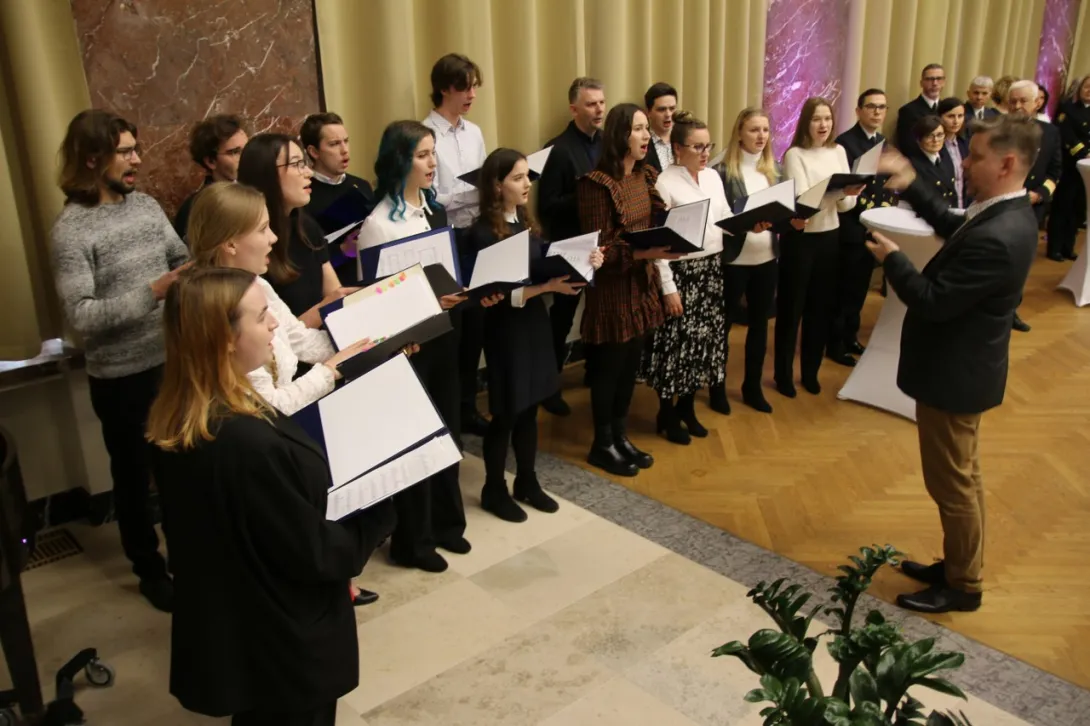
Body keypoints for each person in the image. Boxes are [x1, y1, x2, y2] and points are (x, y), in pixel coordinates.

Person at [147, 266, 395, 724]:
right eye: (262, 316)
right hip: (284, 640)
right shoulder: (247, 444)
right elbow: (317, 554)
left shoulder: (184, 414)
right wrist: (383, 497)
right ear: (225, 338)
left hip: (241, 629)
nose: (275, 324)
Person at [865, 114, 1040, 614]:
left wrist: (894, 260)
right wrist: (911, 183)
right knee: (963, 478)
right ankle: (960, 564)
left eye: (976, 156)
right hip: (964, 371)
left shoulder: (1000, 235)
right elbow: (952, 226)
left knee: (953, 485)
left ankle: (963, 585)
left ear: (1007, 163)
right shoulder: (1006, 213)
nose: (964, 163)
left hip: (954, 377)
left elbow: (933, 301)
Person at [187, 182, 388, 607]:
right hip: (266, 445)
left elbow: (302, 341)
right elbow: (266, 406)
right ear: (230, 244)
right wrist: (333, 370)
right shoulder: (214, 309)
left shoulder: (257, 284)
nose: (275, 238)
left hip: (286, 434)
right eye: (263, 229)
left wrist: (371, 339)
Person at [51, 109, 190, 612]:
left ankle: (190, 562)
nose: (137, 160)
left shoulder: (147, 206)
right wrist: (153, 292)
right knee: (133, 480)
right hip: (120, 380)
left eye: (136, 149)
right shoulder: (71, 231)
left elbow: (179, 260)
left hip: (169, 364)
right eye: (125, 152)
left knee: (179, 472)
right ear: (93, 159)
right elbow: (81, 315)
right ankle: (149, 570)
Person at [356, 120, 502, 572]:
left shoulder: (435, 211)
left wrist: (472, 292)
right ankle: (412, 541)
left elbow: (447, 275)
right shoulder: (378, 225)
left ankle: (446, 524)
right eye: (422, 155)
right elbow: (372, 301)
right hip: (408, 346)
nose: (432, 162)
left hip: (443, 334)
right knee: (416, 440)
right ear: (399, 161)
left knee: (447, 432)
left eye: (433, 152)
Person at [465, 148, 602, 521]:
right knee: (507, 412)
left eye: (528, 176)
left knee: (530, 408)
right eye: (517, 178)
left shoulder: (525, 224)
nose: (527, 184)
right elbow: (495, 294)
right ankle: (494, 489)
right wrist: (547, 288)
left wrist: (585, 261)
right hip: (505, 329)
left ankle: (527, 480)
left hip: (533, 323)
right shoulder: (480, 233)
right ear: (497, 186)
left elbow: (542, 267)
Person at [577, 103, 680, 476]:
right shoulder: (596, 184)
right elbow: (600, 250)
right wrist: (646, 251)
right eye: (638, 128)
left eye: (646, 129)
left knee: (629, 368)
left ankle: (620, 436)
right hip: (612, 290)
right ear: (621, 134)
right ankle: (602, 443)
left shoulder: (644, 175)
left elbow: (655, 224)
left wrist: (671, 238)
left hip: (641, 285)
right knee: (609, 370)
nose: (646, 135)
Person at [645, 111, 728, 444]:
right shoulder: (664, 183)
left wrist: (749, 223)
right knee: (676, 346)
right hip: (682, 272)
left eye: (708, 146)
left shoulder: (713, 177)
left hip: (711, 270)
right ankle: (666, 412)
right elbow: (659, 243)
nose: (705, 153)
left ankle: (687, 408)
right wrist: (668, 288)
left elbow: (724, 217)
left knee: (702, 344)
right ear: (678, 149)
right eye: (698, 147)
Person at [422, 53, 490, 437]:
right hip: (445, 239)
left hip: (476, 235)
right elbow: (431, 197)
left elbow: (481, 180)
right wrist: (470, 193)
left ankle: (468, 407)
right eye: (465, 87)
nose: (472, 95)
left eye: (474, 87)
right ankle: (447, 413)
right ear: (445, 88)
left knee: (477, 325)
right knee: (453, 329)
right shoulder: (424, 134)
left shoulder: (474, 132)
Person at [777, 98, 864, 397]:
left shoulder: (838, 151)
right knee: (792, 310)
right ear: (806, 123)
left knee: (821, 309)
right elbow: (805, 202)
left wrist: (847, 193)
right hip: (800, 239)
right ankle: (783, 374)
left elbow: (846, 207)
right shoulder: (795, 154)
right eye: (817, 119)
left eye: (827, 118)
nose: (823, 124)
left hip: (830, 236)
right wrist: (839, 192)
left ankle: (810, 372)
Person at [537, 77, 606, 417]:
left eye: (602, 103)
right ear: (574, 108)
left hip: (603, 244)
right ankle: (549, 387)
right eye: (591, 104)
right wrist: (585, 194)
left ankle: (595, 371)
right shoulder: (557, 149)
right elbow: (546, 206)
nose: (599, 110)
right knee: (562, 319)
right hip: (571, 246)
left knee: (601, 311)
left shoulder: (608, 143)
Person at [237, 133, 348, 325]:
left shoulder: (305, 225)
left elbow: (335, 293)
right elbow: (271, 333)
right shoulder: (250, 244)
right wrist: (324, 309)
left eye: (304, 163)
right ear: (266, 174)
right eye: (297, 164)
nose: (309, 172)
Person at [715, 107, 784, 414]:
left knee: (760, 325)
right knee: (724, 326)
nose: (761, 136)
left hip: (766, 257)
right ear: (739, 133)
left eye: (765, 130)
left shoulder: (775, 170)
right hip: (734, 261)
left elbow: (783, 210)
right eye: (754, 130)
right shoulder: (723, 171)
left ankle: (752, 387)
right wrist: (745, 224)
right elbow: (719, 219)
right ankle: (716, 388)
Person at [828, 89, 897, 368]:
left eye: (882, 107)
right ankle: (835, 343)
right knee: (843, 289)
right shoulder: (845, 143)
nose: (877, 112)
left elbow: (885, 184)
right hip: (852, 224)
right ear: (858, 111)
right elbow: (844, 187)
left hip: (873, 225)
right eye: (871, 107)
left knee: (859, 289)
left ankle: (851, 337)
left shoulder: (883, 141)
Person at [300, 112, 377, 284]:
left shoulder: (361, 185)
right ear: (314, 151)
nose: (344, 150)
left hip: (367, 277)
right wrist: (342, 250)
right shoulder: (304, 194)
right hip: (332, 283)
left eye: (346, 141)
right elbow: (304, 257)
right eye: (334, 144)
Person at [173, 115, 248, 241]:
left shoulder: (257, 189)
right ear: (211, 161)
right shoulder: (197, 208)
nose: (245, 157)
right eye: (235, 152)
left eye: (247, 148)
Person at [1046, 74, 1090, 262]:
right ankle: (1054, 248)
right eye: (1087, 86)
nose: (1089, 91)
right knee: (1062, 207)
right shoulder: (1068, 109)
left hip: (1087, 171)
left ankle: (1068, 247)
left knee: (1078, 209)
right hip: (1070, 166)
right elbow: (1065, 134)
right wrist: (1084, 153)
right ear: (1079, 89)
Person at [908, 116, 959, 206]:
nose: (935, 140)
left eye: (939, 135)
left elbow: (952, 194)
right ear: (919, 139)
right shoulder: (913, 166)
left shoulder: (945, 158)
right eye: (929, 136)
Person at [896, 63, 947, 151]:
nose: (935, 83)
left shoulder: (947, 108)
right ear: (921, 83)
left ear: (944, 82)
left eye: (939, 79)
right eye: (930, 79)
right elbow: (908, 145)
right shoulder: (908, 111)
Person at [937, 98, 970, 207]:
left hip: (964, 205)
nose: (956, 121)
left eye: (960, 116)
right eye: (951, 116)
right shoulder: (935, 145)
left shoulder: (965, 143)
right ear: (940, 117)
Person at [643, 82, 678, 172]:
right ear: (648, 112)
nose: (668, 114)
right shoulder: (643, 143)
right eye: (662, 109)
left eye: (672, 109)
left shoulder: (685, 139)